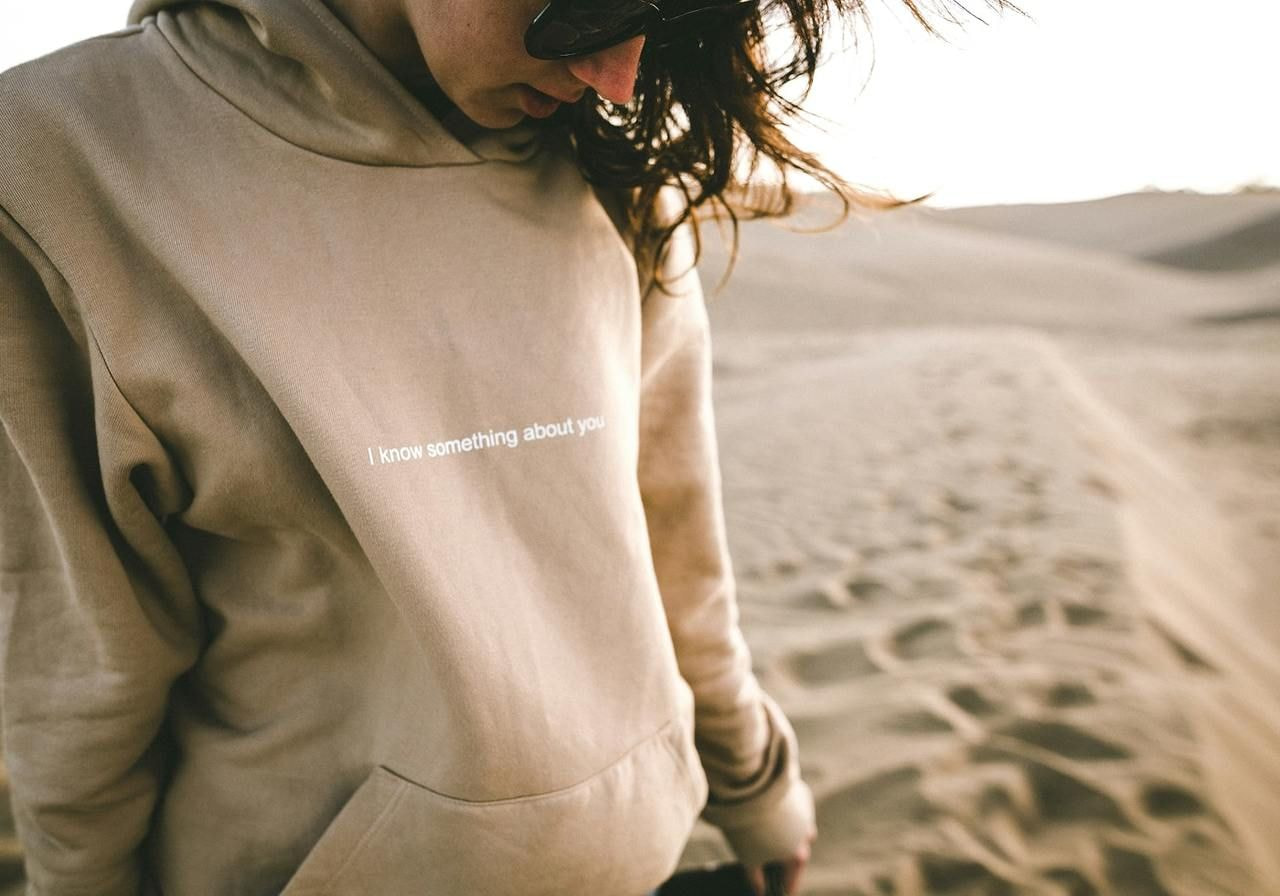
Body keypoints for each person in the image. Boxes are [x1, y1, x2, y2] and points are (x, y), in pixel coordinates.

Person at [0, 0, 1017, 893]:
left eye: (666, 14)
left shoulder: (615, 175)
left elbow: (672, 546)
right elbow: (84, 661)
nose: (617, 74)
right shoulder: (64, 165)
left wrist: (754, 779)